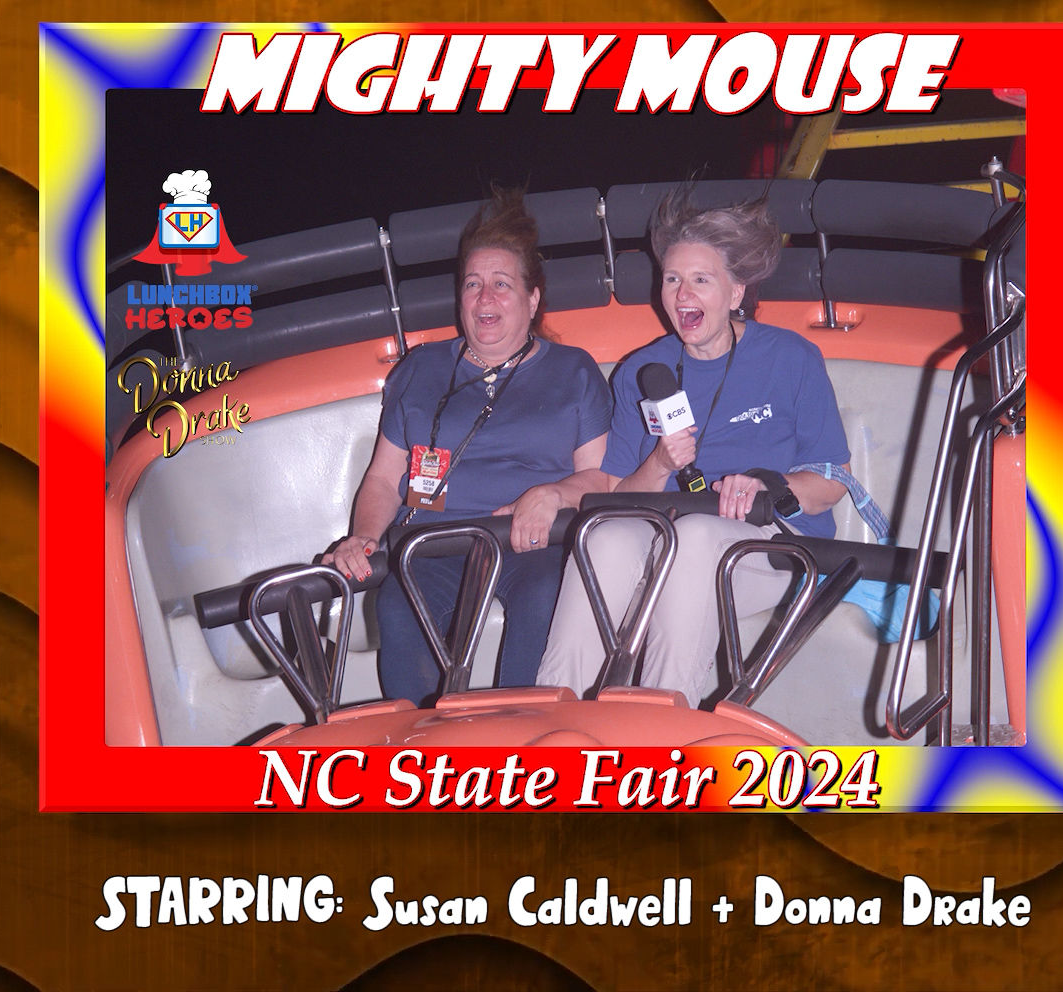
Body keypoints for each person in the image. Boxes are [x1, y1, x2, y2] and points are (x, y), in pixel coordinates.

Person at [535, 188, 850, 704]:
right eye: (673, 280)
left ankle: (661, 731)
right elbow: (616, 494)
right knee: (604, 538)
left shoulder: (791, 357)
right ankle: (558, 717)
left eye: (701, 280)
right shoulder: (641, 369)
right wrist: (659, 463)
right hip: (670, 531)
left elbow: (832, 481)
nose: (682, 295)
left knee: (699, 534)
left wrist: (767, 485)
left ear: (735, 293)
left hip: (772, 547)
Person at [325, 188, 611, 706]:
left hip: (533, 542)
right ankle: (421, 751)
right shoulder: (420, 368)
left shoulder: (574, 371)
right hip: (434, 540)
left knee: (549, 595)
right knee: (398, 604)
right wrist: (363, 538)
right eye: (473, 284)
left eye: (502, 285)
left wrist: (551, 494)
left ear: (533, 299)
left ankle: (518, 747)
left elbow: (600, 478)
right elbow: (385, 479)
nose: (484, 299)